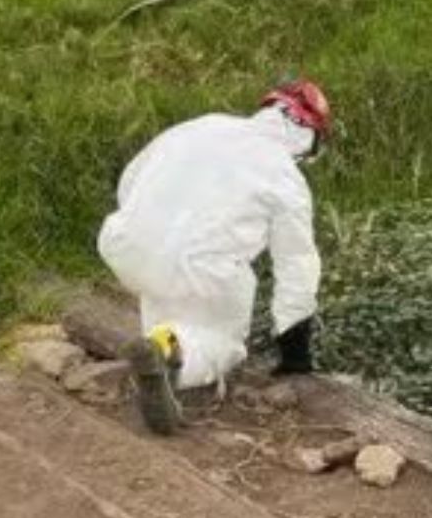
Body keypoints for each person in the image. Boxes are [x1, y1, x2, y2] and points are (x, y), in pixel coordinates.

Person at [97, 80, 331, 434]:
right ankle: (170, 355)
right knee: (221, 342)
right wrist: (295, 353)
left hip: (128, 246)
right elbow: (296, 265)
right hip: (202, 271)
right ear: (309, 134)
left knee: (166, 307)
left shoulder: (204, 125)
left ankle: (161, 352)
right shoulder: (286, 176)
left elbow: (133, 177)